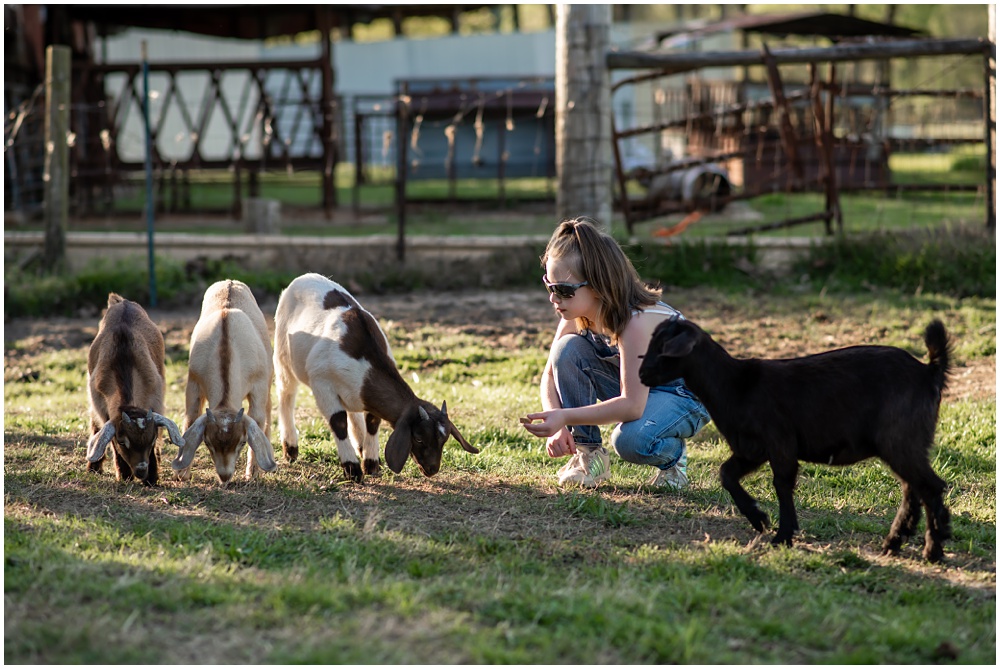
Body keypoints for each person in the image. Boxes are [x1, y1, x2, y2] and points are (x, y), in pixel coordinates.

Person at [520, 217, 710, 489]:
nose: (553, 298)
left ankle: (672, 457)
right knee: (567, 349)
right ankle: (589, 457)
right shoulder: (575, 313)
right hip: (645, 387)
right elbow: (550, 374)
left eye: (563, 290)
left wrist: (566, 416)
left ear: (598, 285)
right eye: (549, 286)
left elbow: (632, 405)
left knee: (630, 440)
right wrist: (558, 421)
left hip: (686, 392)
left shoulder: (635, 322)